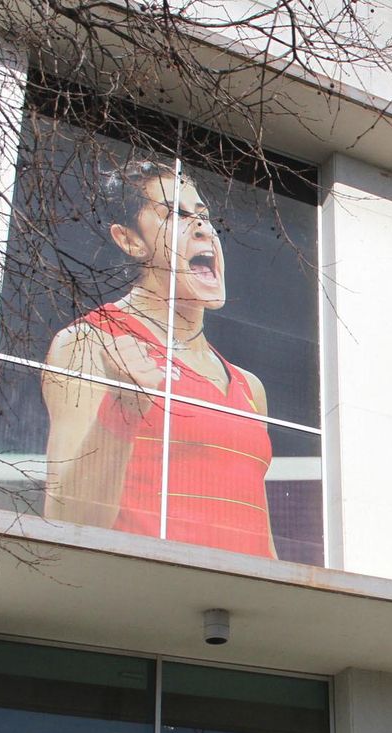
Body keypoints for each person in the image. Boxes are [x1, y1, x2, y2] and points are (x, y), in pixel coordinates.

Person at [40, 159, 277, 558]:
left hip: (244, 613)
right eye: (176, 215)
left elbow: (262, 541)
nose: (202, 227)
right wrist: (121, 411)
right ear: (131, 241)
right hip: (150, 605)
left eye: (203, 216)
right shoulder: (91, 343)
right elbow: (66, 520)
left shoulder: (249, 387)